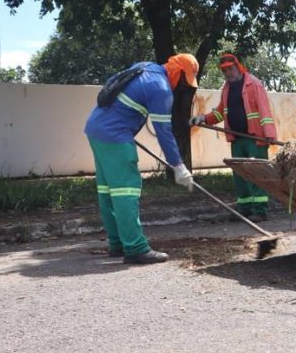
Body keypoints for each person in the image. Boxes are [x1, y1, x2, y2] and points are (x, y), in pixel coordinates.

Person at [84, 54, 199, 265]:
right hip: (115, 134)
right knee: (126, 190)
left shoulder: (145, 67)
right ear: (179, 72)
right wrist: (179, 165)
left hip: (96, 128)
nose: (183, 86)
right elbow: (163, 131)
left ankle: (118, 243)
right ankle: (135, 247)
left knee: (108, 190)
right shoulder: (161, 88)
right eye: (185, 80)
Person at [189, 53, 277, 221]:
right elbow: (221, 112)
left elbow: (264, 111)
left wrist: (269, 134)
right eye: (225, 71)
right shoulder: (227, 88)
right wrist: (203, 118)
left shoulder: (254, 84)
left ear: (238, 67)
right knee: (241, 175)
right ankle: (244, 209)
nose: (228, 73)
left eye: (230, 69)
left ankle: (259, 211)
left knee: (257, 173)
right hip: (237, 139)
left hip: (254, 138)